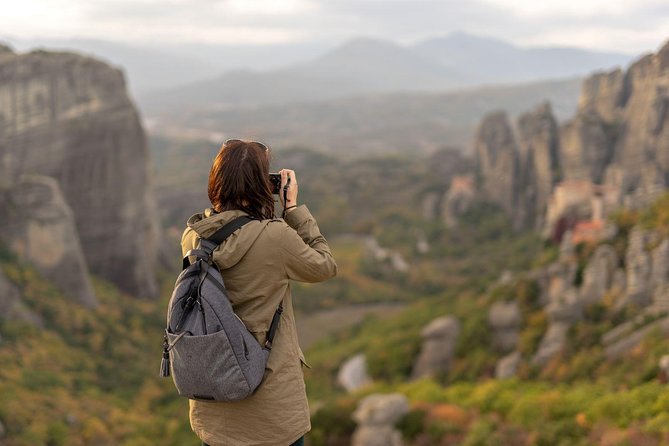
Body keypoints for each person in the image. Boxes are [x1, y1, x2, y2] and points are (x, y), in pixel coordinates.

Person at [180, 139, 337, 446]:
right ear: (262, 186)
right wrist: (292, 209)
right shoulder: (274, 237)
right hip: (271, 414)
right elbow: (324, 266)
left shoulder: (193, 237)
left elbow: (230, 230)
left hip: (216, 413)